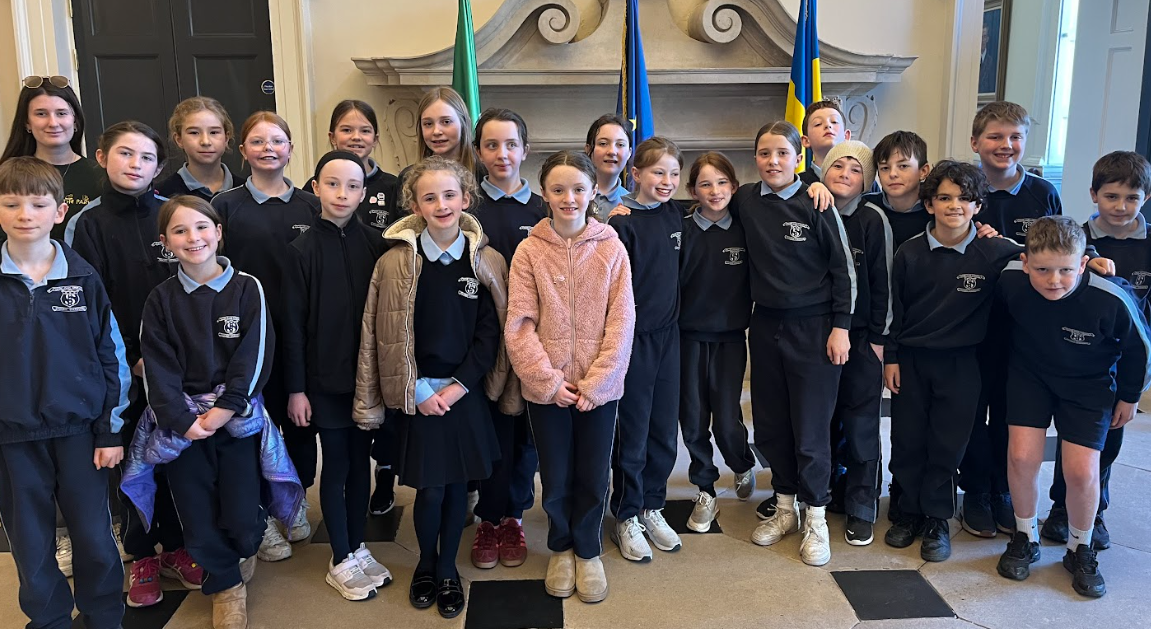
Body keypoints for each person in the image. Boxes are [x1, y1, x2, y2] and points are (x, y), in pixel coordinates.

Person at [353, 155, 511, 619]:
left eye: (449, 195)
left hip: (463, 394)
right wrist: (419, 389)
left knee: (458, 489)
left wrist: (459, 386)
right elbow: (384, 331)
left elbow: (491, 334)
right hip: (417, 395)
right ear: (415, 205)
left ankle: (447, 570)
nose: (441, 204)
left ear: (465, 198)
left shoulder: (485, 261)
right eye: (429, 197)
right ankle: (425, 563)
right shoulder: (394, 262)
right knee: (430, 490)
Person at [65, 121, 201, 607]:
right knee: (133, 462)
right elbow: (90, 304)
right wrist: (133, 358)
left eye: (146, 157)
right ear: (103, 158)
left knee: (176, 456)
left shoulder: (172, 213)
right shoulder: (89, 223)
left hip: (179, 365)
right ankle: (142, 552)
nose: (135, 165)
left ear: (159, 166)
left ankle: (179, 546)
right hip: (124, 366)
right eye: (125, 154)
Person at [0, 155, 129, 629]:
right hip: (12, 437)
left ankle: (104, 616)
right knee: (30, 543)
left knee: (94, 535)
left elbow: (111, 356)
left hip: (81, 434)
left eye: (38, 204)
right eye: (11, 203)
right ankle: (48, 620)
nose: (25, 214)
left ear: (59, 212)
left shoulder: (83, 277)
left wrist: (109, 431)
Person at [138, 196, 277, 628]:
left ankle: (243, 548)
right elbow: (157, 367)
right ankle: (226, 585)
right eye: (179, 231)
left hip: (235, 421)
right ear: (165, 242)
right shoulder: (160, 299)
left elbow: (254, 356)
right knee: (196, 515)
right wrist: (183, 422)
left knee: (242, 513)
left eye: (201, 227)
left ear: (218, 232)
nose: (193, 238)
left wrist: (224, 410)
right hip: (184, 427)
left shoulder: (247, 288)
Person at [994, 216, 1150, 599]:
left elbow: (1140, 349)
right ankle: (1025, 536)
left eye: (1066, 270)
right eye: (1043, 270)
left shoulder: (1111, 296)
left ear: (1083, 263)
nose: (1054, 280)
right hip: (1031, 376)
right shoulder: (1010, 281)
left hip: (1088, 385)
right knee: (1021, 458)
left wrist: (1130, 396)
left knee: (1081, 471)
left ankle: (1080, 547)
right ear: (1025, 263)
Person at [505, 149, 635, 603]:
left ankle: (588, 549)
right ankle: (560, 546)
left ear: (593, 190)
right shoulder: (528, 251)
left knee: (594, 472)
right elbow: (519, 324)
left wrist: (598, 383)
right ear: (544, 193)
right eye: (558, 189)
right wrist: (547, 381)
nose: (569, 198)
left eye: (578, 189)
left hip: (600, 388)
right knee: (557, 473)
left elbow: (622, 321)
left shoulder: (612, 248)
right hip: (549, 389)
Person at [732, 121, 853, 567]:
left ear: (798, 157)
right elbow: (702, 204)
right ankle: (785, 507)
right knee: (771, 423)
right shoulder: (746, 199)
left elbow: (844, 271)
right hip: (766, 325)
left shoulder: (817, 201)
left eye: (782, 153)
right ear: (755, 158)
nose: (773, 161)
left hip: (815, 328)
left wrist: (841, 327)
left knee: (811, 428)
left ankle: (816, 515)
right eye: (765, 153)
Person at [282, 151, 392, 600]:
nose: (342, 193)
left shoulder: (378, 245)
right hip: (323, 381)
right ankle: (340, 555)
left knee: (361, 463)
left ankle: (358, 544)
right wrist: (296, 389)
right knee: (337, 465)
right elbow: (291, 326)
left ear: (363, 193)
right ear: (315, 188)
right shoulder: (300, 251)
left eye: (352, 185)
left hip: (367, 379)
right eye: (332, 184)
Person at [211, 111, 320, 562]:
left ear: (290, 149)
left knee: (299, 422)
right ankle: (261, 512)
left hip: (300, 334)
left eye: (277, 140)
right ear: (243, 150)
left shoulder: (311, 205)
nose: (268, 148)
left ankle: (293, 502)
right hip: (246, 336)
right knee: (252, 424)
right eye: (257, 141)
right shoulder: (225, 205)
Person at [962, 101, 1063, 538]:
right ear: (975, 142)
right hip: (970, 322)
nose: (1006, 145)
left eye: (1015, 137)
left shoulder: (1043, 193)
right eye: (995, 136)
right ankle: (975, 492)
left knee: (1010, 414)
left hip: (1022, 328)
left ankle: (1002, 490)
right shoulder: (961, 188)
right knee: (971, 412)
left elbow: (1059, 252)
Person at [1042, 151, 1151, 549]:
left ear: (1145, 198)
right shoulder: (1076, 239)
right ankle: (1061, 508)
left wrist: (1134, 386)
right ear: (1093, 194)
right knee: (1071, 437)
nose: (1120, 206)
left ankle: (1095, 511)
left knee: (1107, 439)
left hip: (1124, 360)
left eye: (1131, 198)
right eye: (1111, 196)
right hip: (1078, 355)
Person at [468, 107, 544, 570]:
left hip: (534, 341)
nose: (502, 154)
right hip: (483, 341)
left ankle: (514, 515)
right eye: (492, 145)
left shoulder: (544, 209)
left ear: (525, 150)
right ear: (478, 152)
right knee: (491, 431)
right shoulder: (468, 209)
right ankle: (488, 516)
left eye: (511, 144)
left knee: (525, 436)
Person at [606, 136, 685, 563]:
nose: (667, 181)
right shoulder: (622, 223)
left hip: (669, 338)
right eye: (658, 172)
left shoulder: (676, 214)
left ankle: (653, 504)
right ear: (635, 174)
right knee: (633, 431)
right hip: (634, 340)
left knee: (663, 429)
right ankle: (626, 512)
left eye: (674, 173)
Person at [677, 152, 757, 534]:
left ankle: (741, 463)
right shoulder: (680, 231)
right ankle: (705, 489)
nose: (715, 190)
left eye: (722, 182)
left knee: (726, 419)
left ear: (734, 187)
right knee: (693, 418)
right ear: (692, 190)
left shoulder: (745, 230)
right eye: (705, 184)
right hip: (688, 338)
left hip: (729, 339)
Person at [821, 141, 892, 545]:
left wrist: (880, 339)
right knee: (824, 420)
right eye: (838, 165)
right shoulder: (814, 210)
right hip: (823, 333)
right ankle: (829, 488)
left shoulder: (871, 218)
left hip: (864, 337)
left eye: (854, 169)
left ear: (866, 181)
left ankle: (863, 503)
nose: (845, 173)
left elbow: (883, 283)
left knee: (861, 422)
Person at [0, 75, 104, 241]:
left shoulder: (102, 177)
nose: (53, 123)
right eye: (41, 114)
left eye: (61, 113)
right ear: (27, 122)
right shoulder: (7, 176)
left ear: (75, 120)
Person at [304, 100, 401, 236]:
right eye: (347, 130)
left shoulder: (393, 186)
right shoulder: (316, 186)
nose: (356, 137)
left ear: (375, 139)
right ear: (332, 137)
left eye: (365, 131)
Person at [156, 96, 236, 201]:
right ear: (179, 139)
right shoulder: (162, 195)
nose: (205, 142)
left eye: (214, 132)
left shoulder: (247, 190)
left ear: (226, 138)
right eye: (194, 133)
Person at [584, 114, 633, 222]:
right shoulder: (571, 195)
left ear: (629, 153)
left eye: (620, 144)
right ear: (588, 149)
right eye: (603, 143)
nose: (612, 151)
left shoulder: (632, 205)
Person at [798, 99, 852, 186]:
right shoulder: (797, 185)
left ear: (846, 136)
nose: (828, 125)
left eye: (834, 122)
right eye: (818, 124)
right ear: (806, 141)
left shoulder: (862, 181)